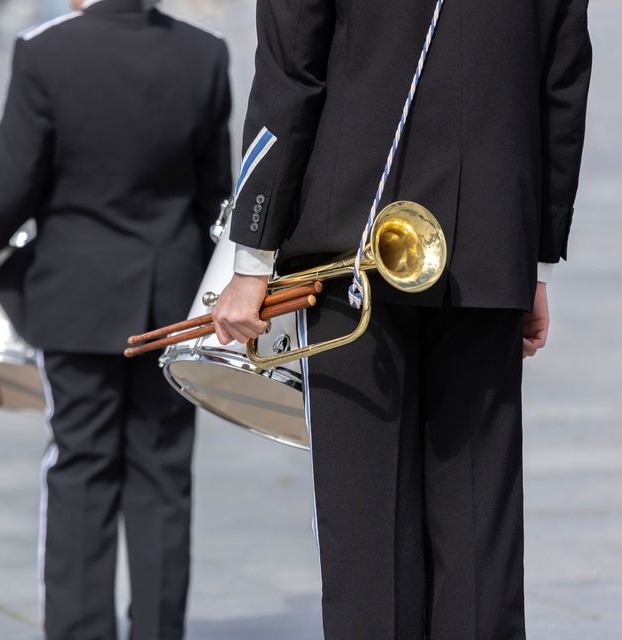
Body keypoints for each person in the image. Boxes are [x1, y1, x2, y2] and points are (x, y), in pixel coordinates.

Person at [211, 0, 591, 639]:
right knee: (479, 531)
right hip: (490, 244)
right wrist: (537, 261)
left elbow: (289, 74)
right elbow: (562, 84)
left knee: (367, 534)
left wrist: (251, 257)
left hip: (350, 246)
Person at [0, 0, 232, 637]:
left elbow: (14, 181)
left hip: (78, 297)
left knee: (80, 468)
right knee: (163, 476)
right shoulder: (203, 53)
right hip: (172, 301)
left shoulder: (46, 51)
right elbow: (217, 194)